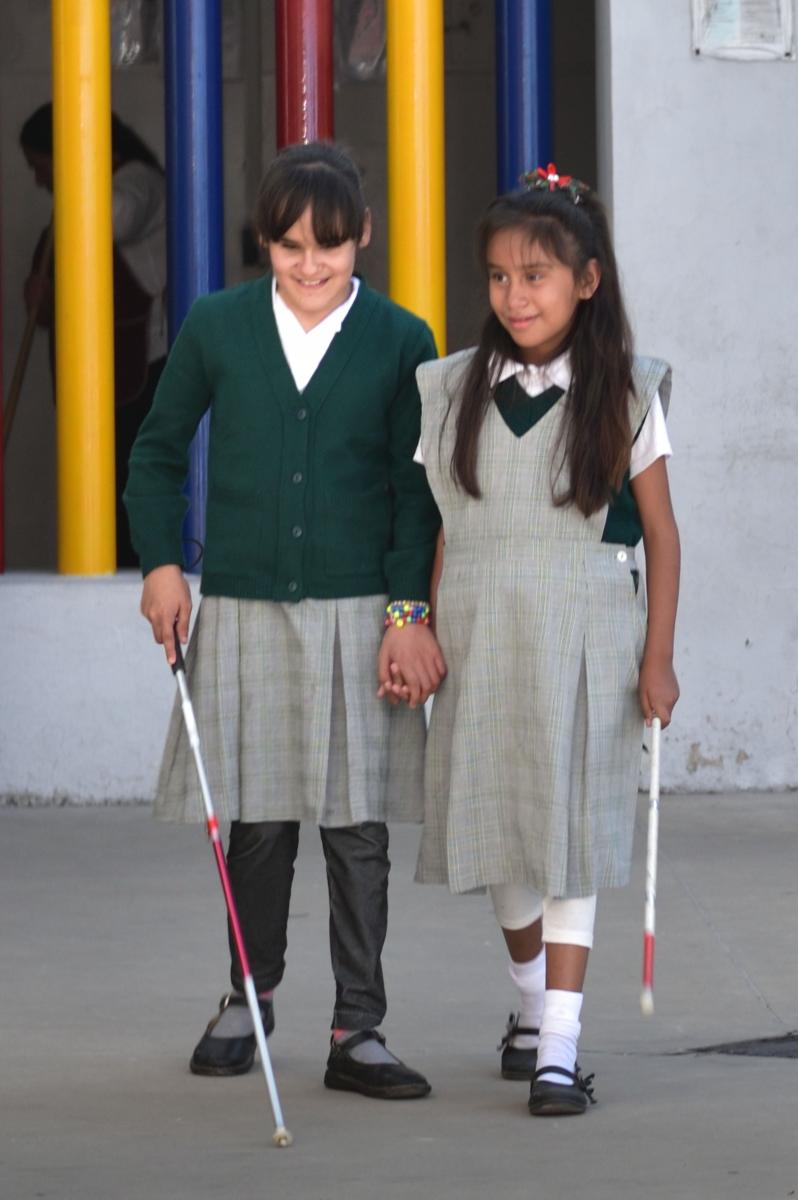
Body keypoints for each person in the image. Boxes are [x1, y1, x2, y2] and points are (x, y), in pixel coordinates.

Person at [124, 142, 446, 1098]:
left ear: (363, 238)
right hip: (245, 606)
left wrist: (408, 613)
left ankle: (359, 1028)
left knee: (357, 827)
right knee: (259, 822)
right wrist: (162, 565)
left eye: (330, 247)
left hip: (363, 610)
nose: (311, 266)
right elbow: (156, 452)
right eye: (290, 245)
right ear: (264, 241)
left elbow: (416, 493)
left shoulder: (401, 338)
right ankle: (248, 996)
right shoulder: (218, 325)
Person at [406, 167, 680, 1116]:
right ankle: (532, 1001)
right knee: (500, 836)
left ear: (586, 281)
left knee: (570, 837)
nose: (515, 297)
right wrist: (420, 624)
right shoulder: (451, 388)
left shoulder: (629, 393)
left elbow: (662, 534)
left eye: (536, 276)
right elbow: (438, 526)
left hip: (591, 641)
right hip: (481, 632)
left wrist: (658, 657)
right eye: (498, 277)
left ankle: (558, 1047)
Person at [20, 102, 167, 568]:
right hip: (98, 380)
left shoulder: (138, 181)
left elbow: (111, 218)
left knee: (130, 499)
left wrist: (75, 174)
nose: (39, 180)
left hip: (143, 373)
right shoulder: (69, 207)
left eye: (41, 165)